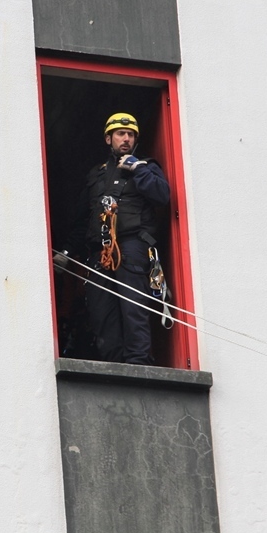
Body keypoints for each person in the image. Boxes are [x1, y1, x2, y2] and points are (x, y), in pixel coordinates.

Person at [54, 113, 170, 364]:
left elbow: (162, 195)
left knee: (134, 308)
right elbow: (84, 219)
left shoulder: (147, 167)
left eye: (130, 135)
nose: (126, 139)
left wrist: (139, 169)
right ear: (109, 139)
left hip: (132, 248)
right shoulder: (96, 175)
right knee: (101, 315)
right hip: (99, 253)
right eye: (120, 134)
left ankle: (138, 365)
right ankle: (115, 370)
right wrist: (67, 252)